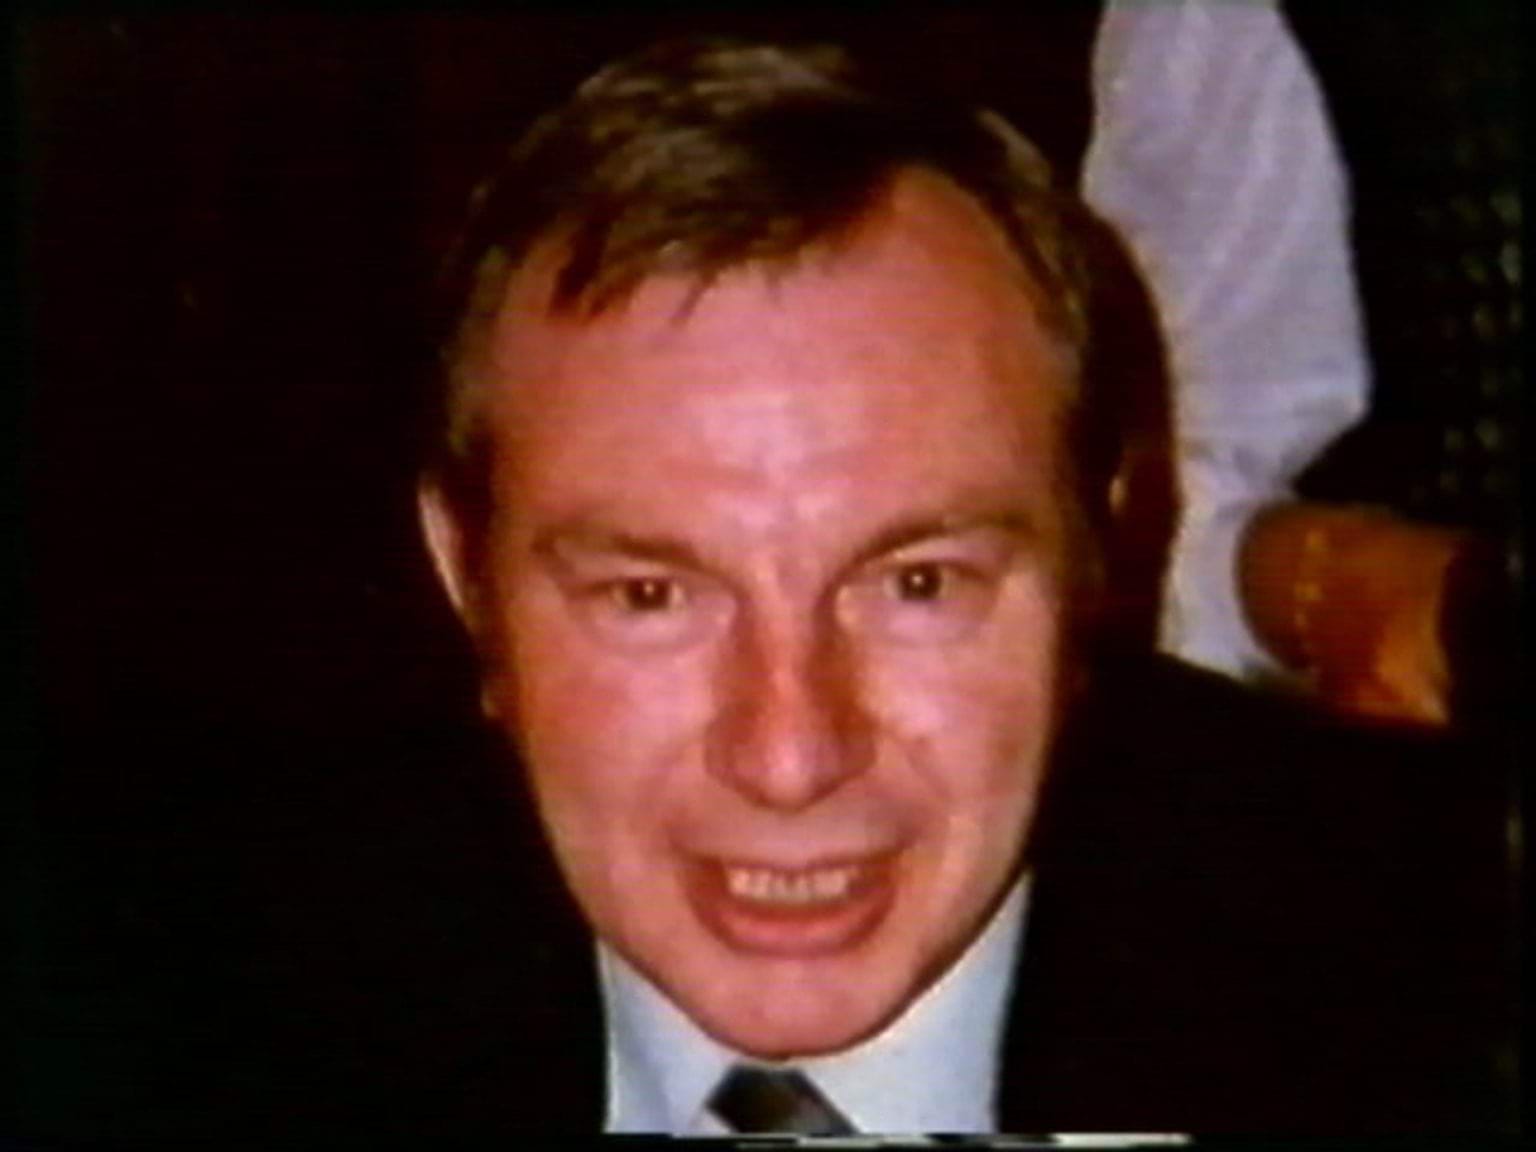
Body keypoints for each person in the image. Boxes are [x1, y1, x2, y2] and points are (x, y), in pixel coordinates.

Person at [395, 37, 1509, 1136]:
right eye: (650, 597)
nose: (791, 759)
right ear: (469, 581)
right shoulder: (302, 987)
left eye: (918, 585)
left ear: (1094, 553)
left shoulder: (1455, 990)